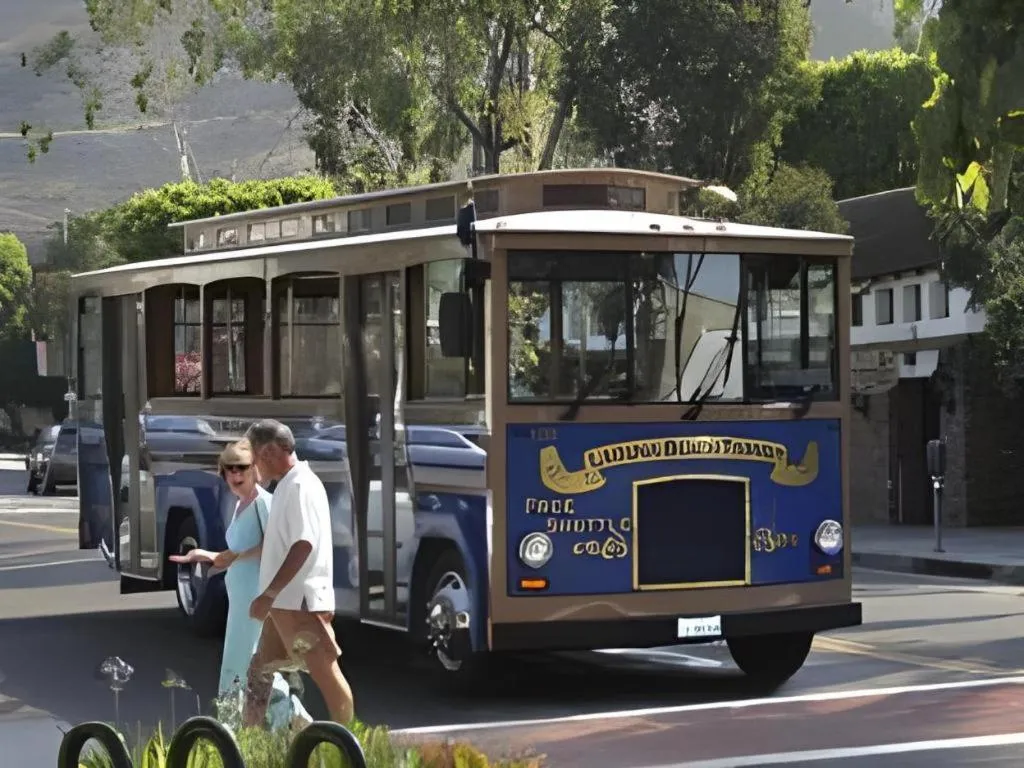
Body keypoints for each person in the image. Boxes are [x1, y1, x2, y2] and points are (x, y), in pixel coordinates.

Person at [169, 440, 312, 731]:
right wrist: (206, 556)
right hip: (240, 599)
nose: (235, 475)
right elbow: (235, 552)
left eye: (242, 468)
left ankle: (248, 730)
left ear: (255, 469)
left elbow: (278, 546)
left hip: (256, 596)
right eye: (229, 469)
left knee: (249, 665)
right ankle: (278, 722)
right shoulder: (240, 504)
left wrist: (270, 595)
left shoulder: (262, 502)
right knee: (244, 664)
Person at [242, 419, 355, 727]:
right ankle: (245, 746)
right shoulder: (289, 484)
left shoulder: (300, 485)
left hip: (300, 605)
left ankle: (349, 744)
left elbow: (303, 545)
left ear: (268, 452)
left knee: (327, 677)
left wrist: (268, 594)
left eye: (253, 458)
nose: (252, 467)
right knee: (258, 676)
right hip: (284, 608)